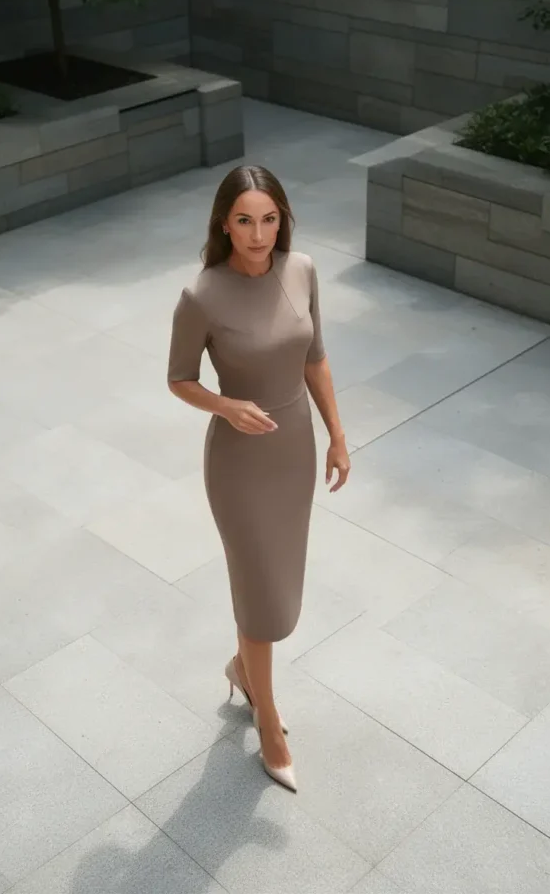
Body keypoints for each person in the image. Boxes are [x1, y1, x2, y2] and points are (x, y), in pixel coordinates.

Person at [167, 165, 350, 792]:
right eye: (244, 220)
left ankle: (245, 671)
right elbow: (179, 378)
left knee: (281, 585)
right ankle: (268, 721)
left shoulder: (302, 271)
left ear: (283, 220)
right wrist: (225, 405)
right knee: (259, 592)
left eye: (269, 220)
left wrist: (337, 435)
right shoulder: (201, 296)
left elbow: (315, 357)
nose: (258, 234)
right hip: (239, 463)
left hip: (293, 449)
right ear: (224, 223)